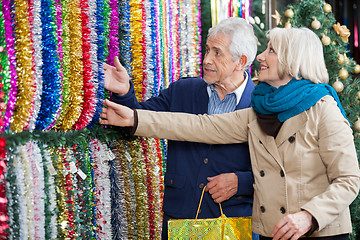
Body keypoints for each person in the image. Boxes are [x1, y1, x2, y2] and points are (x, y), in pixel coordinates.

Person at [100, 27, 360, 240]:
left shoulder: (323, 109)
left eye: (270, 50)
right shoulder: (260, 108)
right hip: (273, 231)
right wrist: (134, 117)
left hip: (316, 232)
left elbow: (348, 180)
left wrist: (309, 216)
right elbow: (199, 126)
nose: (260, 56)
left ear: (292, 60)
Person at [104, 17, 259, 239]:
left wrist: (241, 182)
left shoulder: (260, 104)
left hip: (233, 223)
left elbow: (278, 172)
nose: (206, 60)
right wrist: (123, 92)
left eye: (217, 53)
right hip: (180, 219)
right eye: (207, 50)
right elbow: (135, 121)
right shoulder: (183, 90)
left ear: (240, 61)